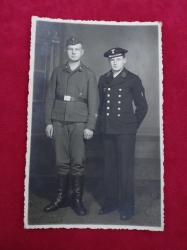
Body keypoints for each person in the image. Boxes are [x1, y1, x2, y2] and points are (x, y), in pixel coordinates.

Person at [44, 36, 99, 216]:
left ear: (82, 52)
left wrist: (90, 125)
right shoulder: (57, 72)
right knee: (61, 162)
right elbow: (50, 98)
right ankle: (61, 198)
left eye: (77, 49)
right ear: (66, 51)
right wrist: (48, 122)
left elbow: (93, 103)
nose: (73, 52)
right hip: (58, 121)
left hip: (79, 123)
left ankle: (77, 200)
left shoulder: (89, 74)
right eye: (70, 49)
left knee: (77, 162)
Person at [98, 47, 148, 220]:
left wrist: (132, 126)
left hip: (125, 131)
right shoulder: (103, 79)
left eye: (118, 59)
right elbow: (101, 106)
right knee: (109, 169)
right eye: (112, 60)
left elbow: (142, 107)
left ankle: (127, 207)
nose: (115, 62)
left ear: (124, 60)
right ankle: (110, 203)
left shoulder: (133, 79)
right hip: (108, 130)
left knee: (125, 170)